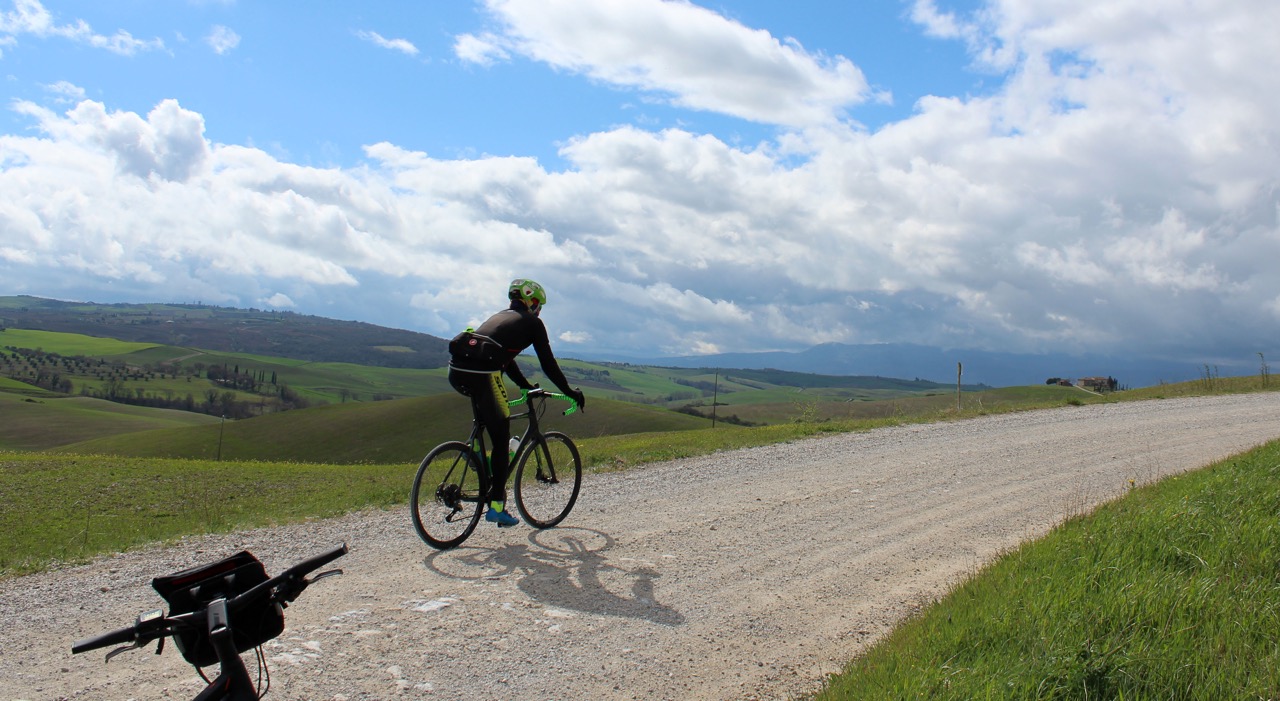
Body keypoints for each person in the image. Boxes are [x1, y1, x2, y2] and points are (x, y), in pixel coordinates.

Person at [448, 279, 586, 527]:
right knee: (501, 439)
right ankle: (497, 507)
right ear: (531, 302)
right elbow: (548, 363)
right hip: (484, 375)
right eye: (539, 304)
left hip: (457, 371)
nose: (539, 310)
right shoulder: (533, 323)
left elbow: (505, 359)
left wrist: (524, 385)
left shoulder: (500, 317)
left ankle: (476, 454)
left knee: (487, 419)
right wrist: (569, 391)